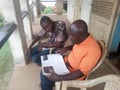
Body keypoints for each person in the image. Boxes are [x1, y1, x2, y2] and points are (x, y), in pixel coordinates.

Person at [40, 19, 101, 90]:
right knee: (46, 65)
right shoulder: (82, 39)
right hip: (65, 62)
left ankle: (46, 84)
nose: (70, 38)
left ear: (81, 35)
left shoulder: (93, 50)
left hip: (71, 71)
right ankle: (47, 84)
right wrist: (66, 48)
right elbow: (76, 45)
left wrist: (59, 78)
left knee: (44, 73)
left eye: (72, 36)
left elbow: (81, 72)